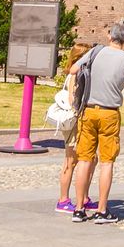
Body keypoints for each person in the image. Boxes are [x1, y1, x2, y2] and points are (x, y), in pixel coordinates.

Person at [70, 20, 124, 224]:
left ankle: (79, 209)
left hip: (88, 111)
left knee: (84, 160)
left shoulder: (96, 52)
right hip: (109, 113)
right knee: (106, 162)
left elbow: (73, 70)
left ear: (109, 36)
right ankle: (101, 211)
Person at [51, 39, 93, 216]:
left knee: (89, 158)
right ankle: (63, 199)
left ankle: (83, 197)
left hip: (77, 121)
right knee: (71, 160)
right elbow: (72, 100)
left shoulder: (75, 73)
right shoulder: (74, 75)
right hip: (75, 122)